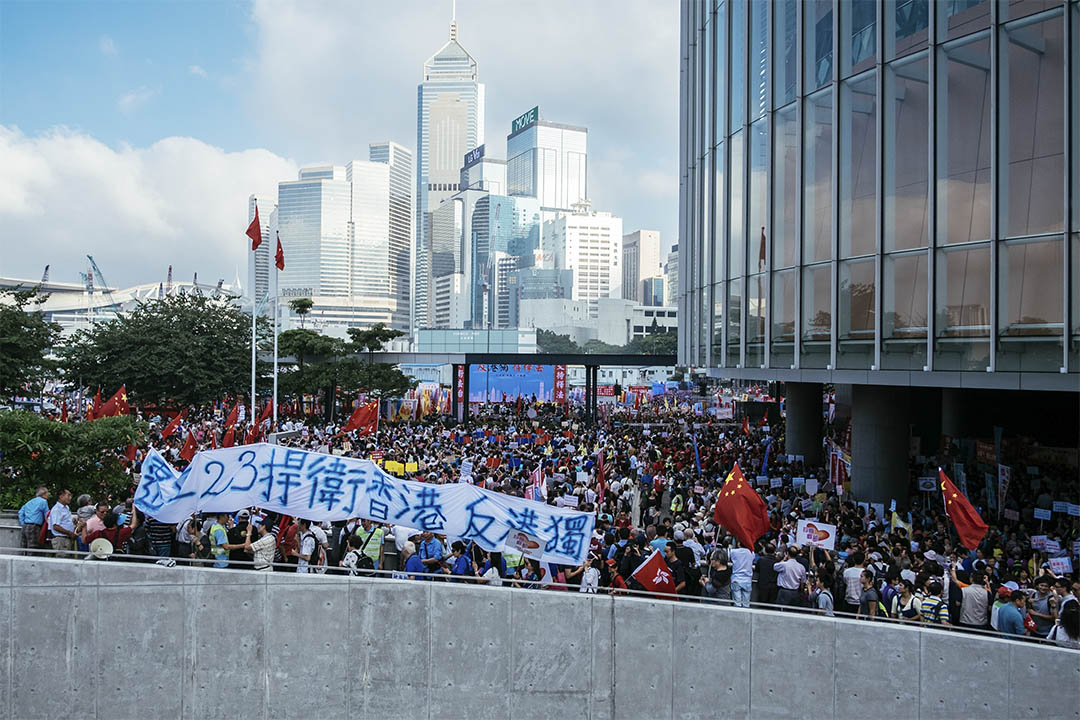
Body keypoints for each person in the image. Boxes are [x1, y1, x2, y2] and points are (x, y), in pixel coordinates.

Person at [17, 487, 49, 552]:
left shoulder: (30, 502)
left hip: (25, 526)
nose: (48, 494)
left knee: (24, 547)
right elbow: (47, 515)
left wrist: (23, 523)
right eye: (47, 492)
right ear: (44, 494)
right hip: (34, 527)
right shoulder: (43, 501)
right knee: (33, 548)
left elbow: (20, 512)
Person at [47, 489, 77, 556]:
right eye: (68, 495)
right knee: (62, 561)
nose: (70, 498)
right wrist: (69, 533)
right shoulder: (57, 509)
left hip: (67, 539)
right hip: (60, 539)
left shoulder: (66, 508)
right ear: (61, 496)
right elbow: (56, 526)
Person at [729, 543, 753, 608]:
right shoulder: (751, 552)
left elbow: (729, 558)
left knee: (737, 603)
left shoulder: (733, 551)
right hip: (747, 579)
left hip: (736, 578)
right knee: (746, 603)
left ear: (739, 544)